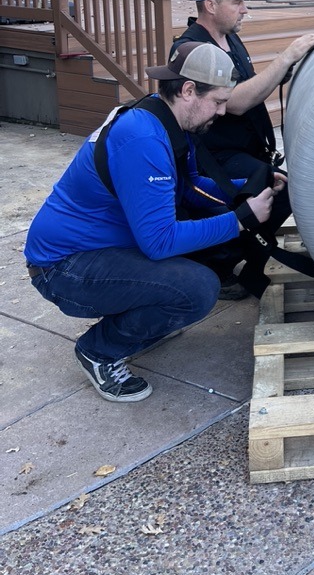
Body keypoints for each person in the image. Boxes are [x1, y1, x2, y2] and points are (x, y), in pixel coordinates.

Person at [23, 42, 284, 403]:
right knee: (196, 288)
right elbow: (159, 242)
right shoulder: (143, 139)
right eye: (219, 102)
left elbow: (190, 187)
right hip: (63, 269)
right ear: (189, 90)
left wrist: (249, 187)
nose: (223, 112)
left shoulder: (166, 121)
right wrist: (240, 220)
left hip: (106, 249)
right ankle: (99, 351)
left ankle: (145, 316)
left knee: (197, 259)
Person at [174, 0, 314, 298]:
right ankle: (219, 266)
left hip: (245, 149)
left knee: (278, 188)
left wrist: (287, 71)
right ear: (210, 5)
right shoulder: (192, 49)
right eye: (236, 2)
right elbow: (237, 101)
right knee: (271, 189)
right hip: (210, 158)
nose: (244, 9)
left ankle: (250, 267)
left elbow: (251, 85)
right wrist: (285, 58)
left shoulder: (230, 39)